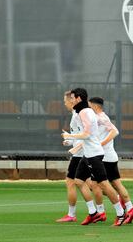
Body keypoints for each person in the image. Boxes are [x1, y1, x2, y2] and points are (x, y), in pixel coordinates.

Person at [62, 88, 127, 226]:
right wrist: (72, 141)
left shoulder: (85, 112)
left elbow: (86, 134)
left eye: (72, 98)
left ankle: (121, 213)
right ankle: (93, 213)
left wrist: (70, 136)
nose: (70, 100)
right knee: (78, 180)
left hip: (94, 154)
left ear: (79, 98)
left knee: (103, 184)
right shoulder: (83, 111)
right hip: (88, 154)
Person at [56, 91, 104, 224]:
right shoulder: (77, 114)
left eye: (66, 101)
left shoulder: (79, 114)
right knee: (91, 183)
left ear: (72, 101)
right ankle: (106, 207)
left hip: (81, 154)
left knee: (72, 182)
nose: (65, 103)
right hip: (84, 152)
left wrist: (72, 141)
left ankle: (75, 214)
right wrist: (70, 140)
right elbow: (80, 134)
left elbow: (86, 135)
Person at [88, 97, 133, 224]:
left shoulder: (101, 117)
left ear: (94, 106)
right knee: (113, 184)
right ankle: (130, 208)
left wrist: (101, 144)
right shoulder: (99, 118)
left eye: (89, 106)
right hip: (108, 156)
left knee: (96, 184)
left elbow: (115, 131)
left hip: (104, 157)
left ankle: (106, 211)